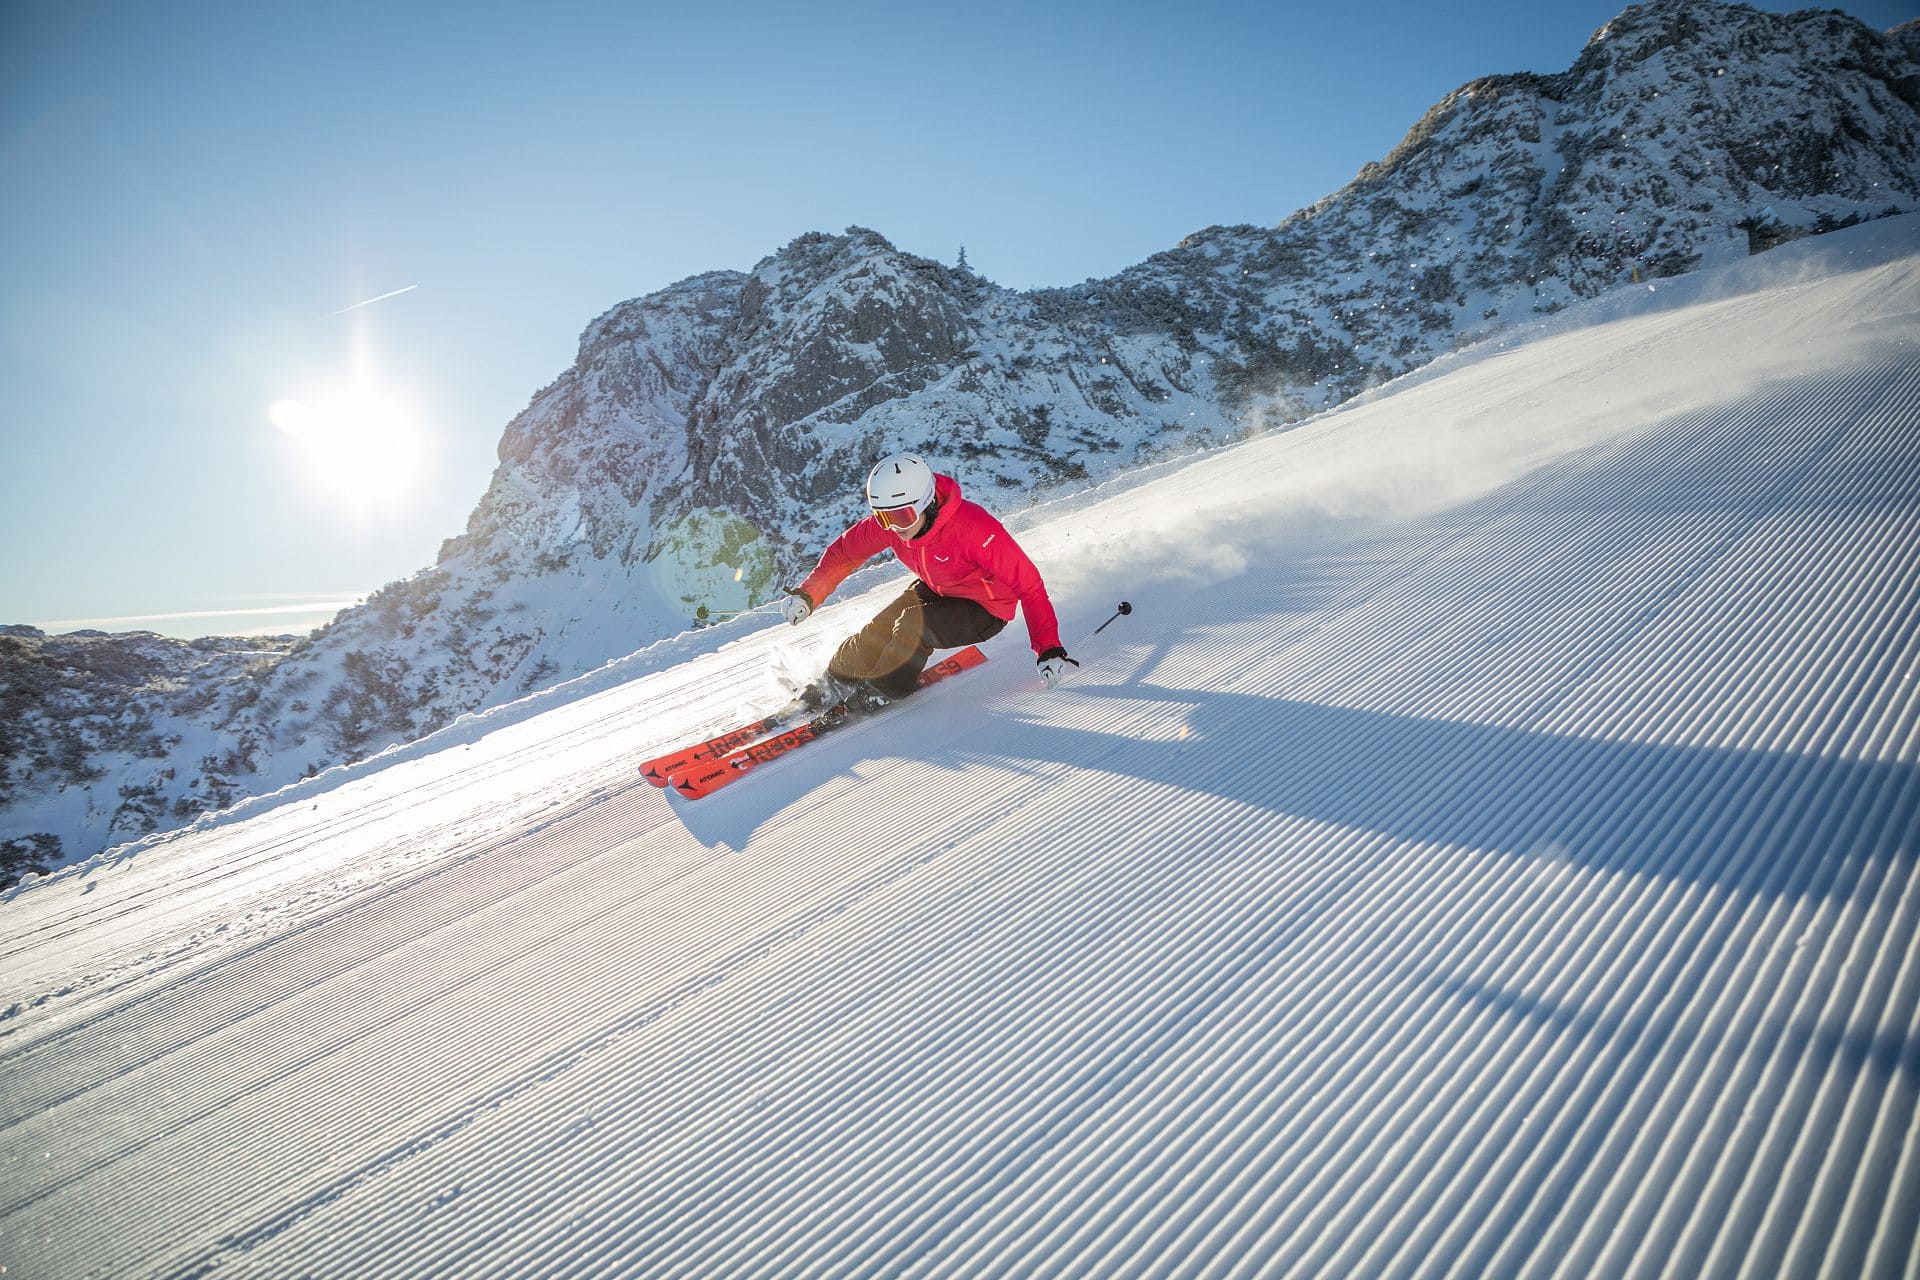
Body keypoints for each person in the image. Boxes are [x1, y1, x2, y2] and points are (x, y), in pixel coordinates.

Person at [780, 452, 1077, 708]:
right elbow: (845, 554)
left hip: (985, 609)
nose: (894, 526)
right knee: (880, 628)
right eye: (884, 517)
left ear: (927, 503)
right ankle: (833, 680)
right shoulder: (891, 524)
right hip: (940, 589)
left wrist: (1048, 647)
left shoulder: (973, 528)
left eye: (904, 516)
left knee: (913, 623)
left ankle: (882, 691)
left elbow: (1029, 585)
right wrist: (808, 595)